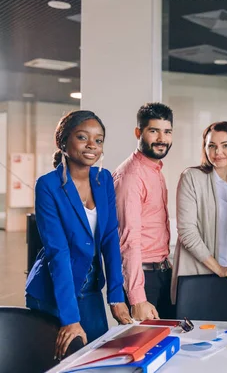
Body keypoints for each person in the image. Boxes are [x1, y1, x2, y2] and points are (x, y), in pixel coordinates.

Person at [25, 111, 132, 359]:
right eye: (83, 137)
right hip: (54, 291)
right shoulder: (48, 185)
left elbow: (109, 238)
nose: (92, 145)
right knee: (63, 362)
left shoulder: (103, 179)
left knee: (100, 358)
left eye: (99, 139)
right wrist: (70, 319)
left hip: (91, 287)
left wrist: (116, 295)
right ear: (62, 142)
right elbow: (58, 252)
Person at [171, 121, 227, 303]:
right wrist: (220, 269)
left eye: (226, 146)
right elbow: (186, 232)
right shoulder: (192, 177)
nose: (217, 152)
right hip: (204, 272)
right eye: (211, 146)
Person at [113, 102, 175, 320]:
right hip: (143, 279)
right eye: (153, 131)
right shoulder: (131, 176)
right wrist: (137, 298)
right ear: (138, 132)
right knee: (143, 348)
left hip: (160, 274)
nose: (161, 138)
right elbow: (128, 241)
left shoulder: (154, 169)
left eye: (167, 131)